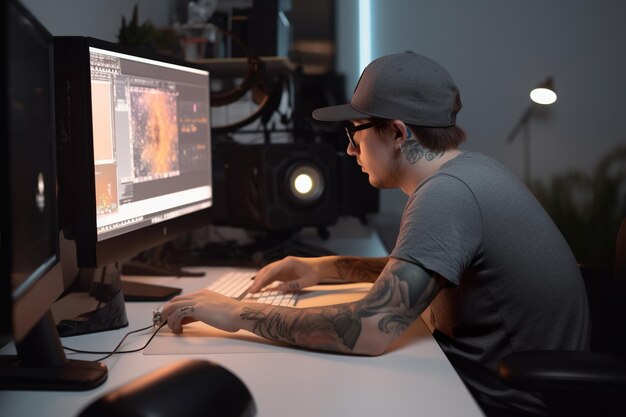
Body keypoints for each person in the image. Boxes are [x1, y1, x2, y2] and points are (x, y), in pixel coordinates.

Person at [159, 51, 590, 416]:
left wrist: (235, 314)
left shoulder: (446, 196)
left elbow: (365, 331)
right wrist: (324, 268)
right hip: (495, 382)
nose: (349, 149)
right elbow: (426, 267)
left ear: (398, 133)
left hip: (501, 403)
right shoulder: (472, 171)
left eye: (355, 131)